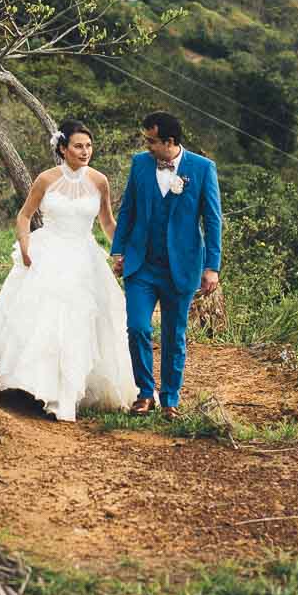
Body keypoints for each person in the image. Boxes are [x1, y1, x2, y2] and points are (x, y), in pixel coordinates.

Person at [0, 120, 137, 421]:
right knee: (42, 317)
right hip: (48, 251)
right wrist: (24, 245)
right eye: (78, 146)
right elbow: (24, 216)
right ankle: (30, 385)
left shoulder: (100, 181)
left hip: (84, 255)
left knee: (82, 319)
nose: (85, 151)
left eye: (88, 146)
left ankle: (71, 390)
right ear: (63, 148)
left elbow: (107, 223)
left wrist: (126, 250)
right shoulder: (46, 179)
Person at [109, 110, 222, 416]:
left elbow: (213, 220)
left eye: (152, 141)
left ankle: (170, 399)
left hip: (181, 267)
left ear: (169, 142)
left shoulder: (202, 168)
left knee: (174, 335)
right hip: (141, 265)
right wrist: (118, 251)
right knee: (137, 327)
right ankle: (145, 392)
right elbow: (128, 210)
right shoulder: (140, 164)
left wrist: (212, 267)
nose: (147, 146)